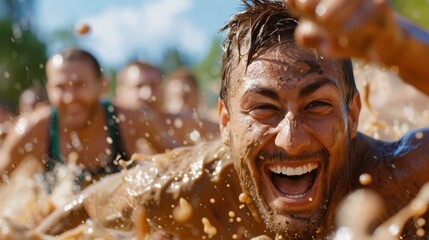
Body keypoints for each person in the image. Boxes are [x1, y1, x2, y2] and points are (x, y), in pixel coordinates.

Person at [35, 0, 429, 239]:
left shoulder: (401, 181)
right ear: (224, 122)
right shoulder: (195, 190)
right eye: (264, 108)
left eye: (317, 106)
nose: (291, 141)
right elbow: (86, 208)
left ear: (354, 114)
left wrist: (400, 43)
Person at [0, 47, 177, 190]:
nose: (70, 97)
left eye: (80, 85)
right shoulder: (33, 130)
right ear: (49, 89)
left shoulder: (132, 120)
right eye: (60, 87)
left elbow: (181, 162)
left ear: (102, 85)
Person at [115, 61, 219, 146]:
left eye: (154, 85)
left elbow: (226, 131)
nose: (148, 94)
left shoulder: (180, 123)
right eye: (139, 86)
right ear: (120, 92)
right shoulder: (110, 130)